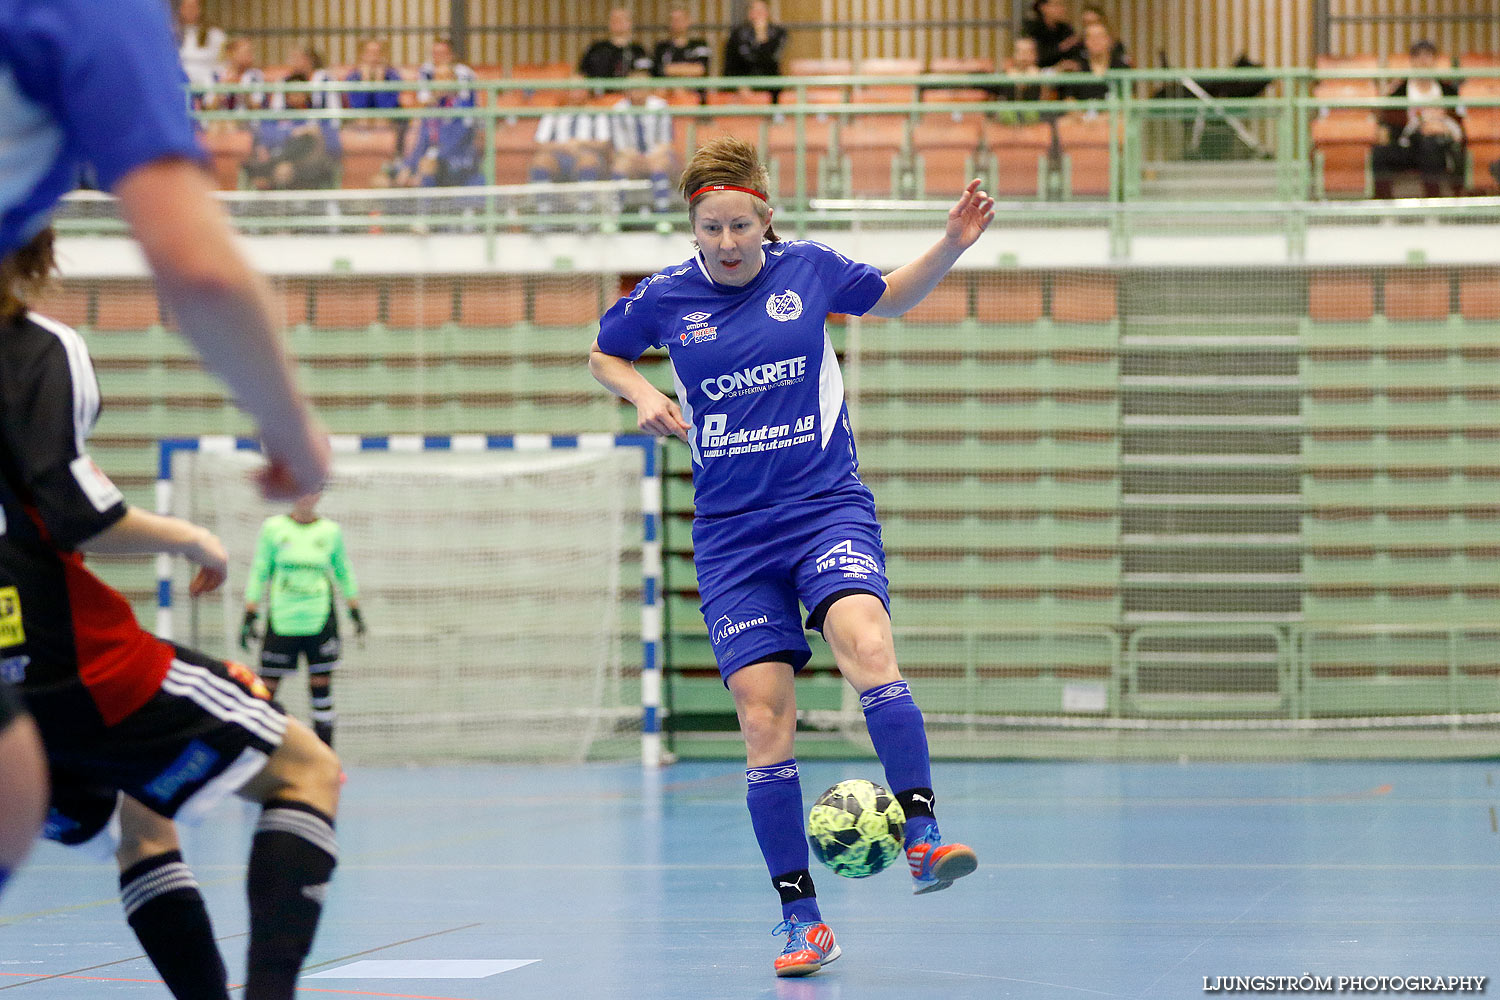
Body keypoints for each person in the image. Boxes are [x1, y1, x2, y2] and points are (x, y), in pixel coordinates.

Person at [588, 136, 992, 977]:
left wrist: (951, 244)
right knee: (763, 724)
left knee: (870, 646)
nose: (728, 243)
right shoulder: (664, 298)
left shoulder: (808, 268)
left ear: (765, 219)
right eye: (711, 228)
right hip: (733, 537)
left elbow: (890, 299)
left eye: (741, 225)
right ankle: (802, 920)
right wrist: (644, 392)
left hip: (823, 508)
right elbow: (604, 352)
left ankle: (921, 833)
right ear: (692, 228)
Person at [0, 0, 329, 920]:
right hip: (70, 646)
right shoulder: (88, 15)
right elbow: (200, 265)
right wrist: (292, 432)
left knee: (28, 780)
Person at [0, 226, 340, 1000]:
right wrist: (192, 539)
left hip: (10, 689)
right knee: (307, 769)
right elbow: (71, 507)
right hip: (63, 653)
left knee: (142, 820)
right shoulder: (36, 347)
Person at [242, 494, 364, 747]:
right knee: (267, 690)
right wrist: (250, 611)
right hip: (283, 619)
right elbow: (260, 568)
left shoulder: (330, 531)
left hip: (318, 618)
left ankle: (325, 756)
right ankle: (257, 754)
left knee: (321, 688)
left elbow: (343, 569)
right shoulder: (274, 528)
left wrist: (355, 610)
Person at [1373, 40, 1465, 198]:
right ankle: (1385, 209)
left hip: (1438, 146)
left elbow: (1460, 121)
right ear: (1412, 61)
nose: (1423, 61)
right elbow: (1386, 119)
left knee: (1430, 145)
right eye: (1418, 56)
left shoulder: (1448, 90)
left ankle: (1433, 205)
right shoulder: (1399, 90)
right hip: (1407, 144)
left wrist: (1442, 127)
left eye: (1428, 56)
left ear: (1434, 60)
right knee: (1380, 154)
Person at [246, 73, 342, 191]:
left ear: (307, 93)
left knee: (306, 140)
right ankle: (275, 166)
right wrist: (291, 133)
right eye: (291, 91)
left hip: (308, 166)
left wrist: (315, 133)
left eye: (299, 90)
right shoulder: (276, 116)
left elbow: (334, 146)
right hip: (280, 164)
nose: (295, 94)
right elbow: (263, 137)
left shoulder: (318, 116)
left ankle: (271, 166)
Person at [1060, 20, 1131, 102]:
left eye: (1100, 36)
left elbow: (1127, 100)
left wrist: (1106, 115)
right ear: (1085, 42)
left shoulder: (1122, 67)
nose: (1095, 41)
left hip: (1113, 114)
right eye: (1090, 37)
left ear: (1109, 40)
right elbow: (1069, 99)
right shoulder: (1076, 67)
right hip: (1082, 114)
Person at [580, 7, 653, 81]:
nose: (618, 22)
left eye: (622, 19)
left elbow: (645, 76)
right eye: (614, 19)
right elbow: (581, 73)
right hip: (599, 91)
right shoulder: (596, 48)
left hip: (629, 92)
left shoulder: (638, 50)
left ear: (630, 23)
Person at [723, 0, 788, 83]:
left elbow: (771, 60)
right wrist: (739, 85)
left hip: (770, 83)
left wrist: (762, 36)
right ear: (749, 13)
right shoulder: (737, 34)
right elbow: (731, 63)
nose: (758, 14)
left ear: (768, 12)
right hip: (742, 81)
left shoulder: (779, 33)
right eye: (754, 10)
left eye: (761, 10)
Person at [175, 0, 227, 98]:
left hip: (207, 81)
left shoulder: (214, 33)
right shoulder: (172, 33)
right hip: (181, 81)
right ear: (181, 9)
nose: (190, 11)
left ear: (199, 9)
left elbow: (221, 62)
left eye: (193, 7)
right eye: (187, 7)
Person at [208, 36, 269, 115]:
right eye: (246, 52)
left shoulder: (255, 76)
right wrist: (221, 88)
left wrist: (242, 90)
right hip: (221, 123)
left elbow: (257, 108)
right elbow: (209, 108)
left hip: (246, 124)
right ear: (231, 53)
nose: (251, 56)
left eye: (251, 52)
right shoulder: (215, 75)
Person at [654, 7, 712, 79]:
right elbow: (662, 70)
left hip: (693, 89)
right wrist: (688, 68)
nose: (676, 23)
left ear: (688, 21)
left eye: (680, 19)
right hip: (668, 89)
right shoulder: (661, 47)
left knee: (680, 90)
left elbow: (700, 70)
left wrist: (673, 69)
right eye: (673, 19)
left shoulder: (700, 44)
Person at [1021, 0, 1080, 70]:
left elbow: (1075, 52)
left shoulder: (1066, 29)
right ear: (1043, 7)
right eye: (1057, 5)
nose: (1062, 9)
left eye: (1062, 5)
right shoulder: (1032, 28)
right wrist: (1062, 47)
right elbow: (1036, 55)